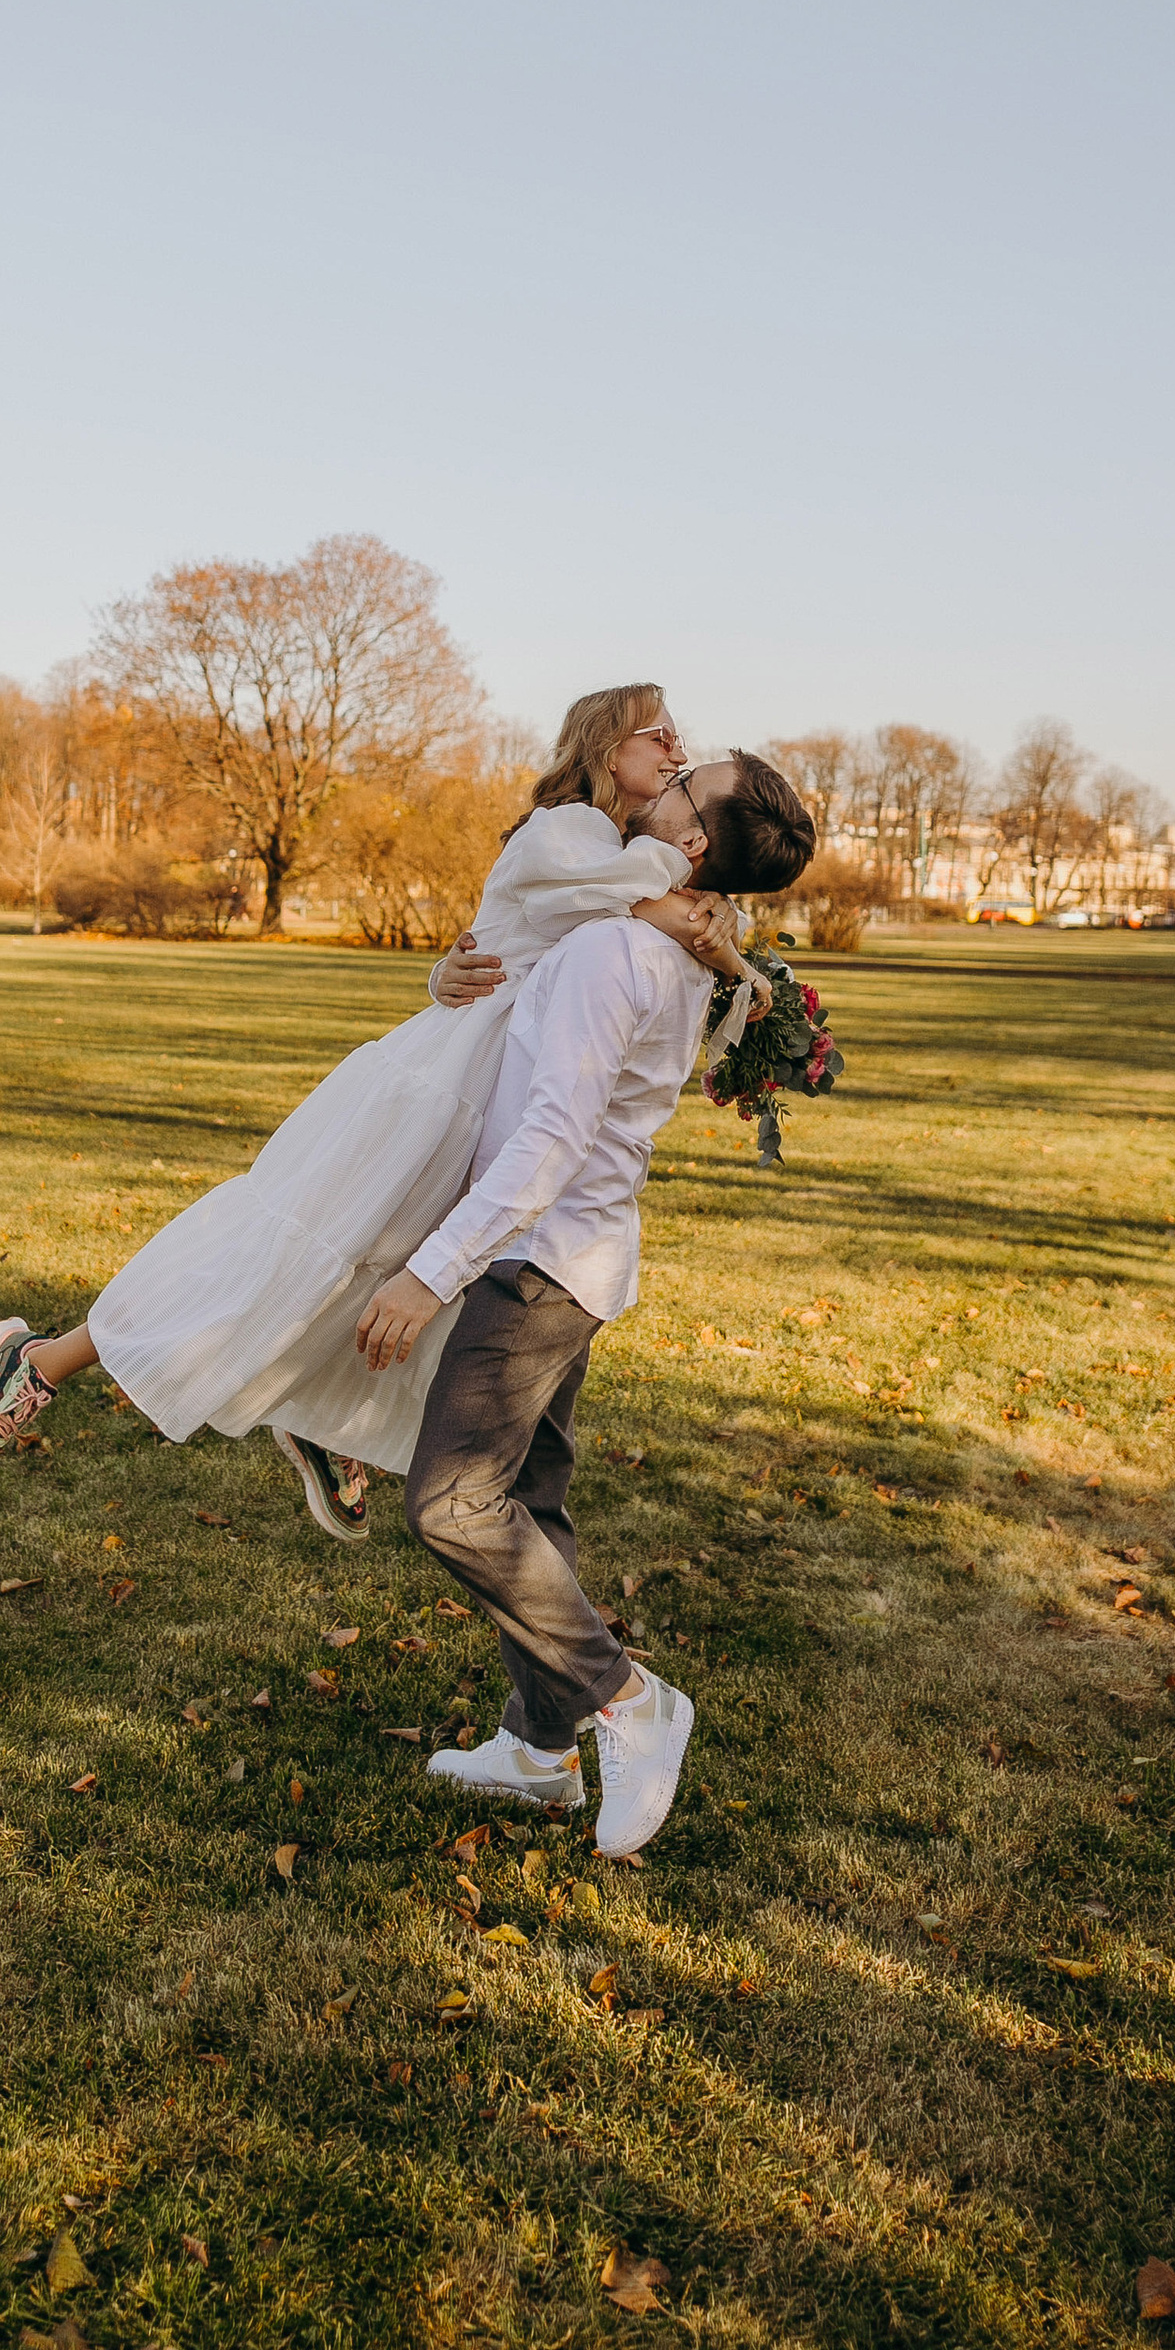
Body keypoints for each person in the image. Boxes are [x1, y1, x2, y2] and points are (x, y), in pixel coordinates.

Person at [0, 688, 764, 1532]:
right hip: (439, 1085)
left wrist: (725, 943)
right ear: (605, 744)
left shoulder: (610, 847)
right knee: (284, 1252)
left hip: (494, 1099)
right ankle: (38, 1361)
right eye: (660, 736)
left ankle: (324, 1418)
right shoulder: (571, 831)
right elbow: (596, 903)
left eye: (680, 744)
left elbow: (607, 924)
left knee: (399, 1267)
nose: (676, 753)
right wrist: (698, 911)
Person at [358, 749, 818, 1857]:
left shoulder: (620, 950)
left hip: (538, 1263)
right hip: (588, 1260)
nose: (662, 780)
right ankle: (536, 1750)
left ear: (692, 841)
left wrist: (430, 1271)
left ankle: (628, 1699)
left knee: (453, 1504)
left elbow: (551, 1139)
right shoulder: (665, 940)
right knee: (532, 1501)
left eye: (683, 783)